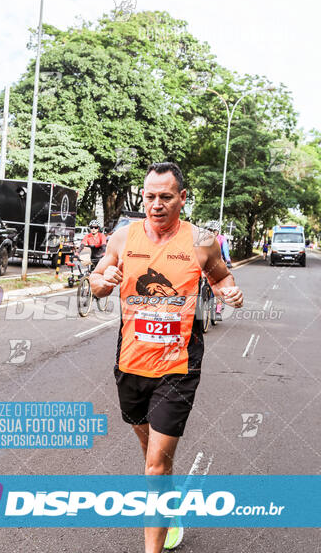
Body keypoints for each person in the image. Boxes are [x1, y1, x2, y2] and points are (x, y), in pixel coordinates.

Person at [90, 162, 243, 552]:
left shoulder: (202, 241)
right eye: (149, 197)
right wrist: (100, 281)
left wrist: (229, 292)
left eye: (165, 197)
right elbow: (97, 280)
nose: (156, 205)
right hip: (131, 364)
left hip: (178, 367)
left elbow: (221, 277)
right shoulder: (123, 238)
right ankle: (169, 505)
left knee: (155, 466)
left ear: (182, 198)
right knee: (152, 457)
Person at [205, 221, 232, 321]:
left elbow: (225, 250)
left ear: (217, 232)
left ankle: (218, 311)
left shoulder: (222, 239)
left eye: (213, 230)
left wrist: (228, 260)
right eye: (209, 230)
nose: (211, 232)